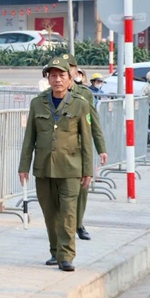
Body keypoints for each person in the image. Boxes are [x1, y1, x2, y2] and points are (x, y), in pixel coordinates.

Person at [19, 57, 94, 272]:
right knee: (50, 212)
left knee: (68, 212)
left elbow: (86, 140)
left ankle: (66, 255)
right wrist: (23, 166)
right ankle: (55, 251)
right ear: (48, 79)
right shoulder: (37, 103)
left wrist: (88, 169)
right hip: (43, 167)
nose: (57, 80)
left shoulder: (80, 104)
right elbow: (29, 138)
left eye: (62, 75)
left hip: (71, 167)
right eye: (53, 76)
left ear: (71, 79)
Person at [57, 54, 107, 241]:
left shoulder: (85, 93)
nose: (66, 73)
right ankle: (63, 228)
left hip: (79, 150)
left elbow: (93, 122)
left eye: (70, 69)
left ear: (75, 72)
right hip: (59, 153)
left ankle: (78, 224)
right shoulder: (51, 93)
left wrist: (101, 148)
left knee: (82, 190)